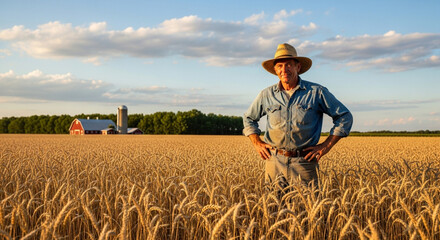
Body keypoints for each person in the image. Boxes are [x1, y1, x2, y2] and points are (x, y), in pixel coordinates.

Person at [243, 43, 353, 192]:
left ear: (298, 67)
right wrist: (256, 142)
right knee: (273, 210)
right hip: (274, 162)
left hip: (304, 162)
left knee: (307, 210)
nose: (284, 70)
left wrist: (325, 146)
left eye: (289, 65)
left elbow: (344, 116)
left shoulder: (316, 92)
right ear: (275, 70)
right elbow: (249, 118)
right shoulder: (266, 95)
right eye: (280, 66)